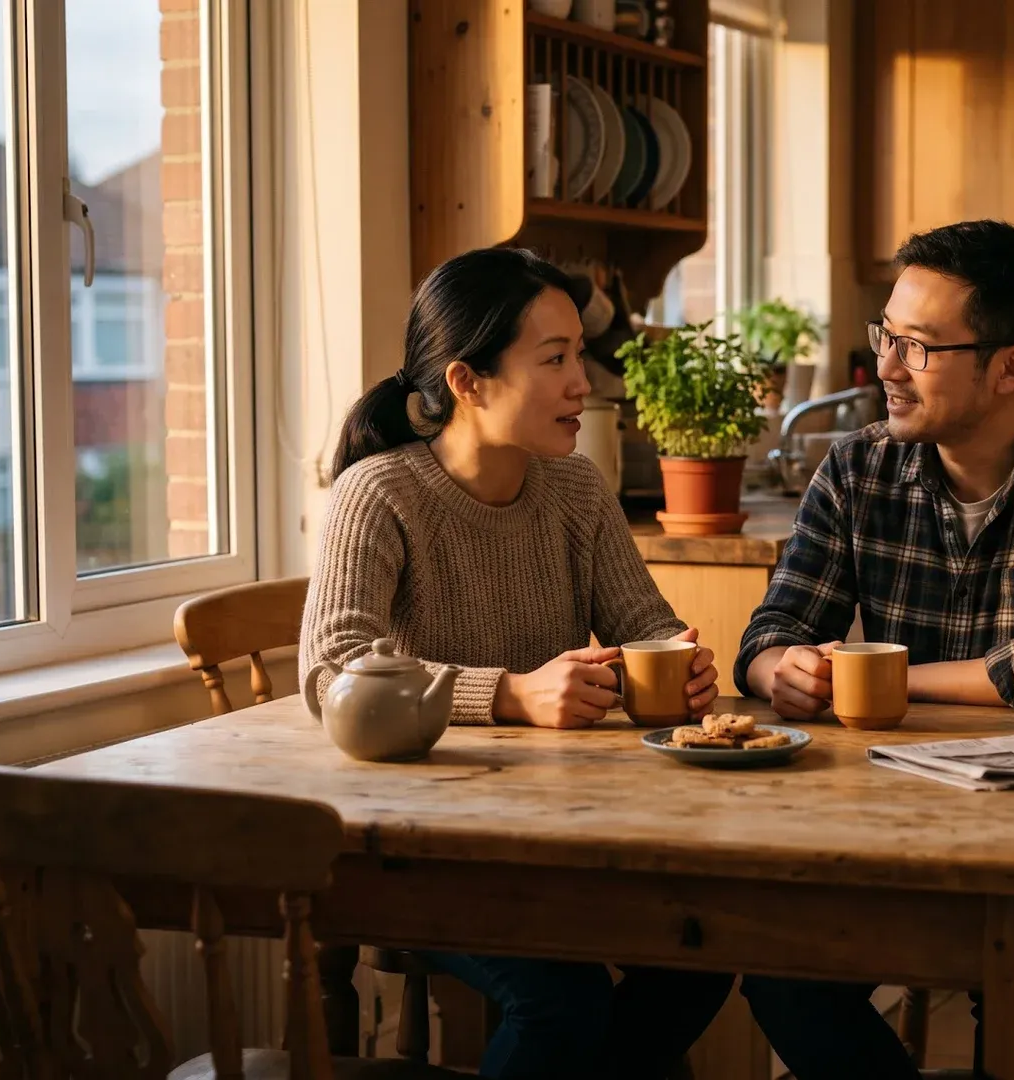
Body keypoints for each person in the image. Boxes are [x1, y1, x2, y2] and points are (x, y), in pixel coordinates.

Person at [730, 220, 1014, 1079]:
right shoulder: (858, 469)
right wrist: (788, 673)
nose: (885, 366)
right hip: (892, 825)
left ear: (1011, 366)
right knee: (780, 976)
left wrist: (873, 678)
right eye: (886, 334)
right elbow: (768, 636)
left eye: (918, 347)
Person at [298, 247, 732, 1079]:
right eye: (556, 359)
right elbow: (332, 672)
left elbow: (647, 623)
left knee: (705, 956)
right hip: (422, 854)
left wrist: (679, 664)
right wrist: (508, 695)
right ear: (468, 381)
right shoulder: (379, 494)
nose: (585, 383)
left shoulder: (575, 488)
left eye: (580, 354)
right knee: (561, 1004)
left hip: (561, 843)